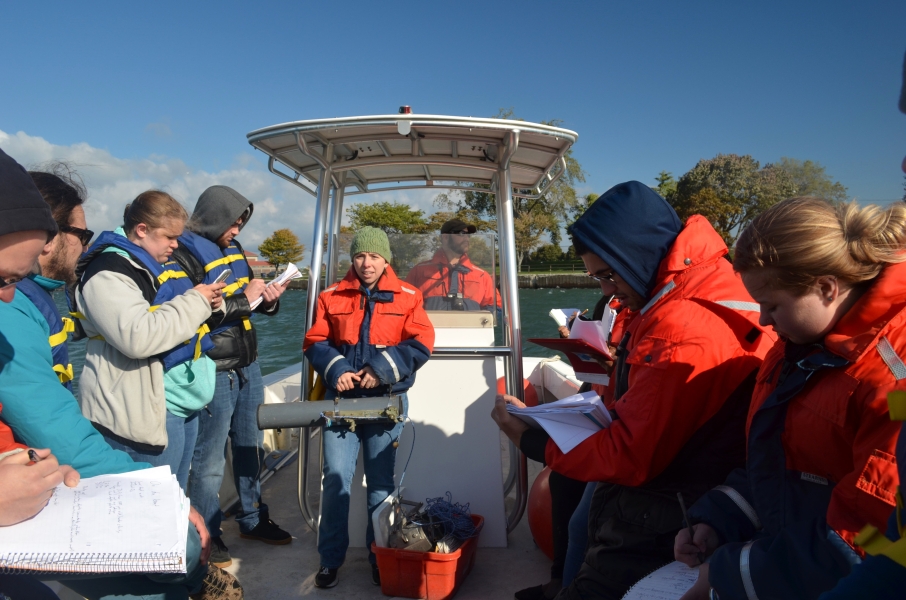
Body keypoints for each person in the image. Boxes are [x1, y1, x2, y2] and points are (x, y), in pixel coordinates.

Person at [492, 181, 776, 600]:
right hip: (682, 497)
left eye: (608, 274)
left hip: (668, 510)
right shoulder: (690, 293)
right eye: (597, 277)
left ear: (636, 254)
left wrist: (533, 440)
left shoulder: (681, 324)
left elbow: (632, 455)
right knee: (579, 527)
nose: (606, 290)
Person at [0, 147, 242, 599]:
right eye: (81, 230)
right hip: (79, 451)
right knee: (165, 565)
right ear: (49, 238)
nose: (87, 242)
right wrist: (156, 493)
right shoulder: (35, 305)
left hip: (43, 469)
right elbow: (136, 337)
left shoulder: (32, 300)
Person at [674, 196, 906, 599]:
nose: (763, 320)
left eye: (772, 305)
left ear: (826, 288)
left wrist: (732, 575)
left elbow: (869, 537)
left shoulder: (893, 379)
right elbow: (778, 462)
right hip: (790, 561)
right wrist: (717, 520)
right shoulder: (796, 346)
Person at [817, 47, 906, 600]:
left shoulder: (886, 361)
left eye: (774, 304)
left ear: (827, 287)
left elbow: (872, 526)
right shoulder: (810, 352)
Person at [303, 226, 434, 589]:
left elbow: (422, 343)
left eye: (374, 256)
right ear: (353, 258)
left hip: (386, 405)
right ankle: (330, 560)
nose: (366, 263)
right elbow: (315, 340)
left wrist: (380, 371)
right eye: (360, 256)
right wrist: (337, 370)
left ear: (386, 258)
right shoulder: (331, 295)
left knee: (380, 485)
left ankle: (381, 557)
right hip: (340, 405)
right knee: (335, 482)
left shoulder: (409, 296)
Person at [73, 190, 225, 490]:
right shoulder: (107, 271)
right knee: (153, 504)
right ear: (141, 230)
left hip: (170, 404)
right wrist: (196, 302)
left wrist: (206, 303)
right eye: (169, 236)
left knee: (175, 497)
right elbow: (138, 337)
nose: (175, 244)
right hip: (139, 415)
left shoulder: (145, 263)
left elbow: (162, 316)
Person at [172, 185, 291, 568]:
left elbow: (245, 308)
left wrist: (268, 300)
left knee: (250, 446)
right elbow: (192, 314)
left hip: (248, 364)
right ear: (213, 216)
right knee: (208, 460)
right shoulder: (183, 253)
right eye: (233, 223)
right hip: (214, 369)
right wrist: (245, 300)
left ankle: (252, 517)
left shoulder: (235, 250)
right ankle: (207, 532)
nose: (237, 231)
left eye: (241, 223)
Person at [12, 165, 92, 392]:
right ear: (51, 236)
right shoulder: (13, 303)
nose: (85, 248)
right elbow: (37, 406)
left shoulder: (24, 293)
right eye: (82, 235)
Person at [405, 218, 500, 311]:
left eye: (468, 235)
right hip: (430, 327)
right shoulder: (419, 271)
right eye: (461, 234)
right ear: (445, 237)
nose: (467, 238)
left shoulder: (482, 276)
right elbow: (405, 303)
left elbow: (496, 308)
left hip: (470, 327)